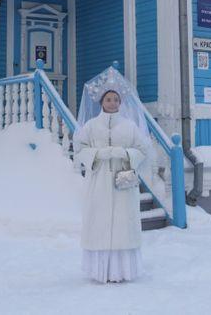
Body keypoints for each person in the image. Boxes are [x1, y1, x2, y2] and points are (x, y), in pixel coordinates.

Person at [73, 66, 155, 284]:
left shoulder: (129, 126)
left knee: (122, 225)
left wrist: (125, 153)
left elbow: (143, 149)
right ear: (101, 102)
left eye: (116, 100)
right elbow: (79, 149)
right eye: (108, 99)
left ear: (120, 103)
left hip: (122, 182)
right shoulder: (90, 126)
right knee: (98, 223)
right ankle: (99, 270)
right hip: (98, 182)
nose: (112, 103)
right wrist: (99, 154)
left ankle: (122, 270)